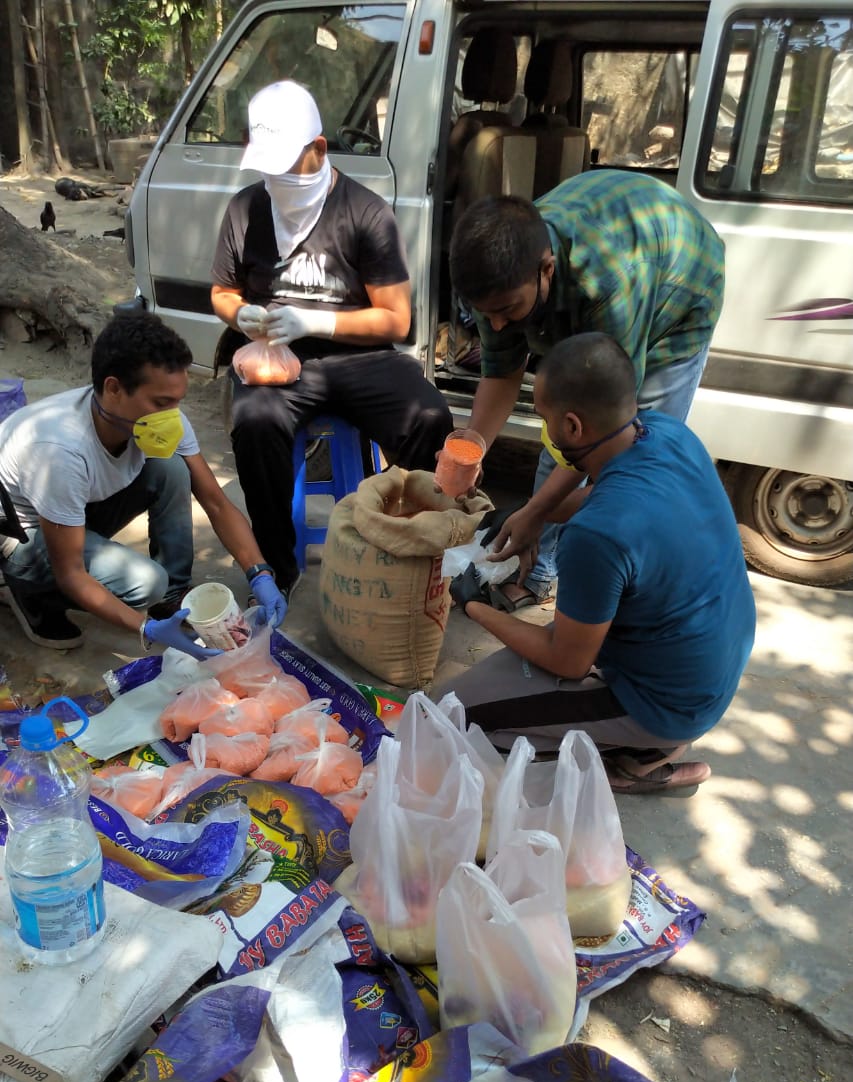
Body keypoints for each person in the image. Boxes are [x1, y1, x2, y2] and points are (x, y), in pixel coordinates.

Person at [437, 333, 755, 795]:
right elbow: (607, 492)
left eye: (545, 419)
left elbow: (567, 660)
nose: (545, 429)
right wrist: (536, 512)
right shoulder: (668, 433)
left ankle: (637, 758)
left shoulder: (596, 538)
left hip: (664, 702)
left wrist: (473, 608)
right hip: (712, 661)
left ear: (571, 426)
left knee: (452, 714)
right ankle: (647, 744)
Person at [211, 80, 453, 595]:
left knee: (430, 417)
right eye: (267, 164)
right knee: (254, 423)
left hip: (359, 358)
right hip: (276, 357)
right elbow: (221, 291)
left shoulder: (365, 213)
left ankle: (413, 545)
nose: (275, 177)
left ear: (318, 150)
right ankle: (277, 567)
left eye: (286, 163)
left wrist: (314, 322)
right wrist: (244, 315)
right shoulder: (245, 209)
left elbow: (395, 321)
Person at [448, 170, 726, 609]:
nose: (497, 324)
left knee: (630, 459)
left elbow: (603, 430)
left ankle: (584, 587)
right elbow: (502, 371)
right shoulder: (496, 281)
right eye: (487, 315)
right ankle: (536, 565)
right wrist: (473, 446)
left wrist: (536, 511)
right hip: (623, 245)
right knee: (561, 432)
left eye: (506, 312)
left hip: (680, 285)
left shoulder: (607, 282)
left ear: (547, 269)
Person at [0, 314, 285, 654]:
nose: (172, 414)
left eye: (176, 401)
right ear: (114, 388)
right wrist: (145, 629)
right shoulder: (60, 450)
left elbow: (216, 503)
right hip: (21, 537)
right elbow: (71, 572)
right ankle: (27, 592)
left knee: (172, 467)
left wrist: (260, 574)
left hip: (68, 512)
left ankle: (173, 599)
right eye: (161, 402)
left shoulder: (154, 421)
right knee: (145, 582)